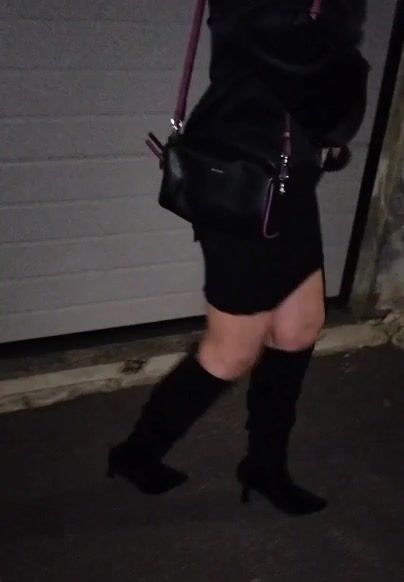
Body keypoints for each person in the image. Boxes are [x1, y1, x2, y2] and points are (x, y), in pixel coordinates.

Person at [108, 0, 368, 515]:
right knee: (231, 353)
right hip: (242, 184)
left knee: (299, 329)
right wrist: (342, 86)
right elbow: (298, 60)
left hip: (287, 180)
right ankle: (135, 454)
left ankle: (265, 467)